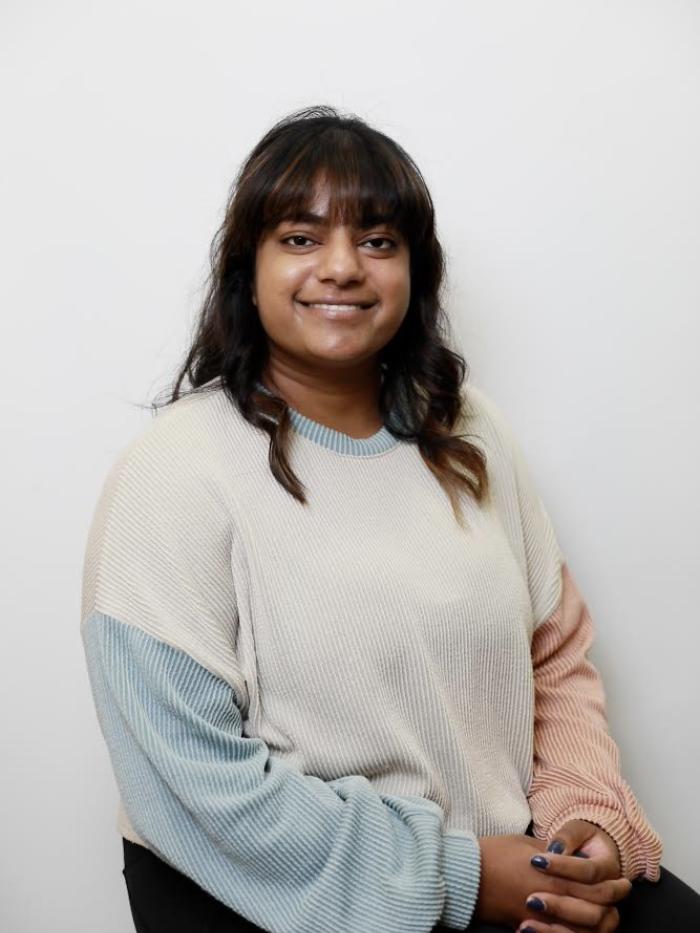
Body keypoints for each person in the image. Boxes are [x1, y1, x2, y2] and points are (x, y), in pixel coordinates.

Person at [80, 105, 700, 933]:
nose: (342, 268)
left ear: (415, 270)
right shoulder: (175, 471)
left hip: (519, 864)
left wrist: (579, 824)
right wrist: (462, 877)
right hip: (301, 893)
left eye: (377, 241)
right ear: (246, 267)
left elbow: (553, 659)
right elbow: (192, 783)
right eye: (300, 238)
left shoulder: (469, 428)